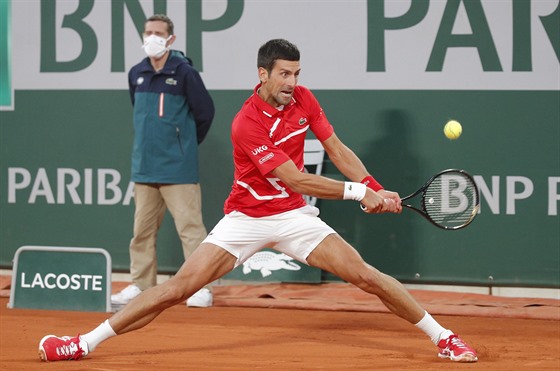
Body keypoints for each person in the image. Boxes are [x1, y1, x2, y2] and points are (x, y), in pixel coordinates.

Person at [38, 39, 478, 363]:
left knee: (367, 275)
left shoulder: (304, 100)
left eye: (297, 74)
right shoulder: (245, 123)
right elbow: (292, 176)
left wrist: (372, 185)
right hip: (246, 218)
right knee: (177, 288)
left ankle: (444, 337)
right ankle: (83, 343)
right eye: (284, 74)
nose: (293, 82)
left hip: (295, 218)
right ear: (263, 74)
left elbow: (337, 149)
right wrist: (359, 193)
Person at [110, 14, 215, 310]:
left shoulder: (184, 73)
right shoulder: (136, 73)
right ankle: (141, 285)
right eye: (148, 32)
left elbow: (205, 113)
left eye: (158, 33)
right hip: (145, 168)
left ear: (171, 39)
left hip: (178, 169)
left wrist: (183, 146)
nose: (152, 38)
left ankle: (200, 287)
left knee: (191, 230)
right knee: (141, 232)